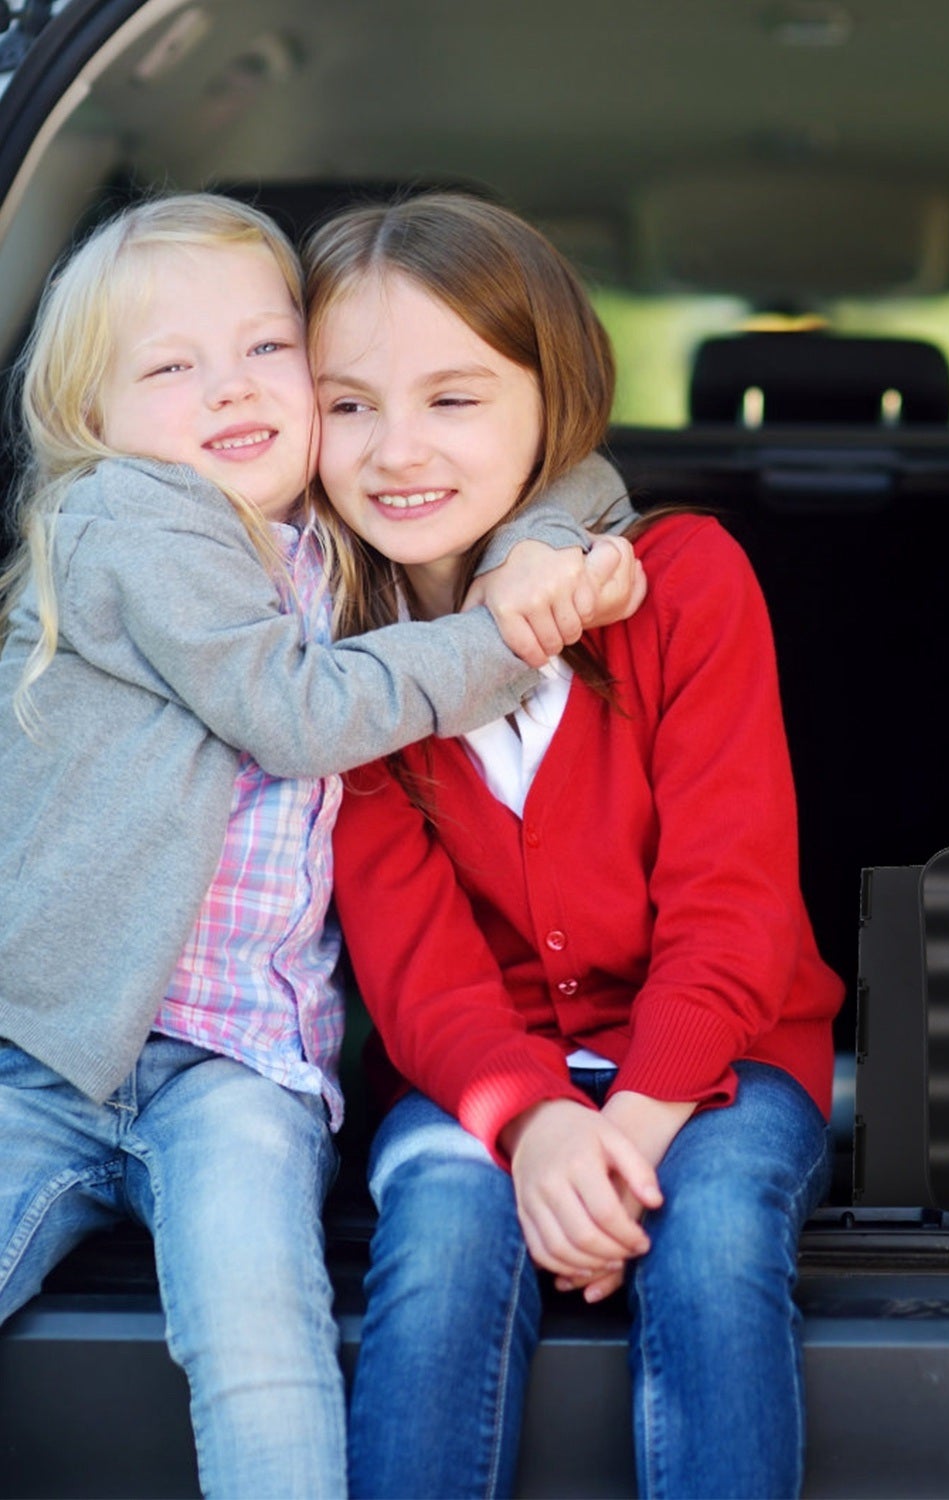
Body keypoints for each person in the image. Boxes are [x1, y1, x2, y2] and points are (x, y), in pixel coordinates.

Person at [0, 192, 642, 1497]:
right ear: (94, 418)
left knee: (265, 1353)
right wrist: (509, 633)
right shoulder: (127, 523)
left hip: (241, 1070)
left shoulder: (329, 540)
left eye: (265, 348)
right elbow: (298, 716)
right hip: (45, 1054)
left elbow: (572, 473)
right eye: (171, 368)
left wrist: (538, 546)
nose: (230, 387)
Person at [310, 190, 844, 1500]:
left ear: (553, 404)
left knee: (712, 1240)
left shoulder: (687, 582)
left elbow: (734, 913)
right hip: (478, 1074)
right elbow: (416, 975)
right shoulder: (339, 669)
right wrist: (539, 1127)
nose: (396, 449)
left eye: (454, 397)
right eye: (348, 404)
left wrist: (627, 1137)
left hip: (725, 1065)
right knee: (441, 1232)